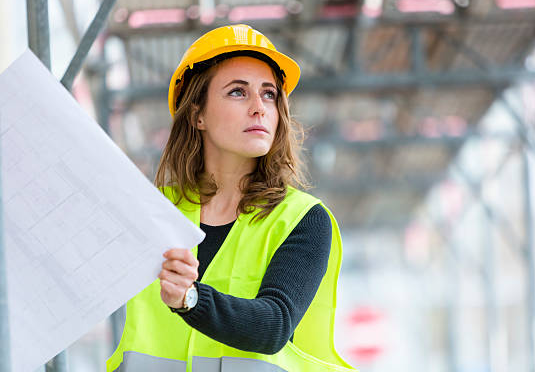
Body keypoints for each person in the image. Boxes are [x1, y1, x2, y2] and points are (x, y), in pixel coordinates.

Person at [106, 24, 356, 372]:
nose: (259, 108)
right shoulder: (152, 212)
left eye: (269, 94)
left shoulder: (302, 219)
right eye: (238, 92)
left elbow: (275, 325)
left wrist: (190, 300)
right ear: (198, 115)